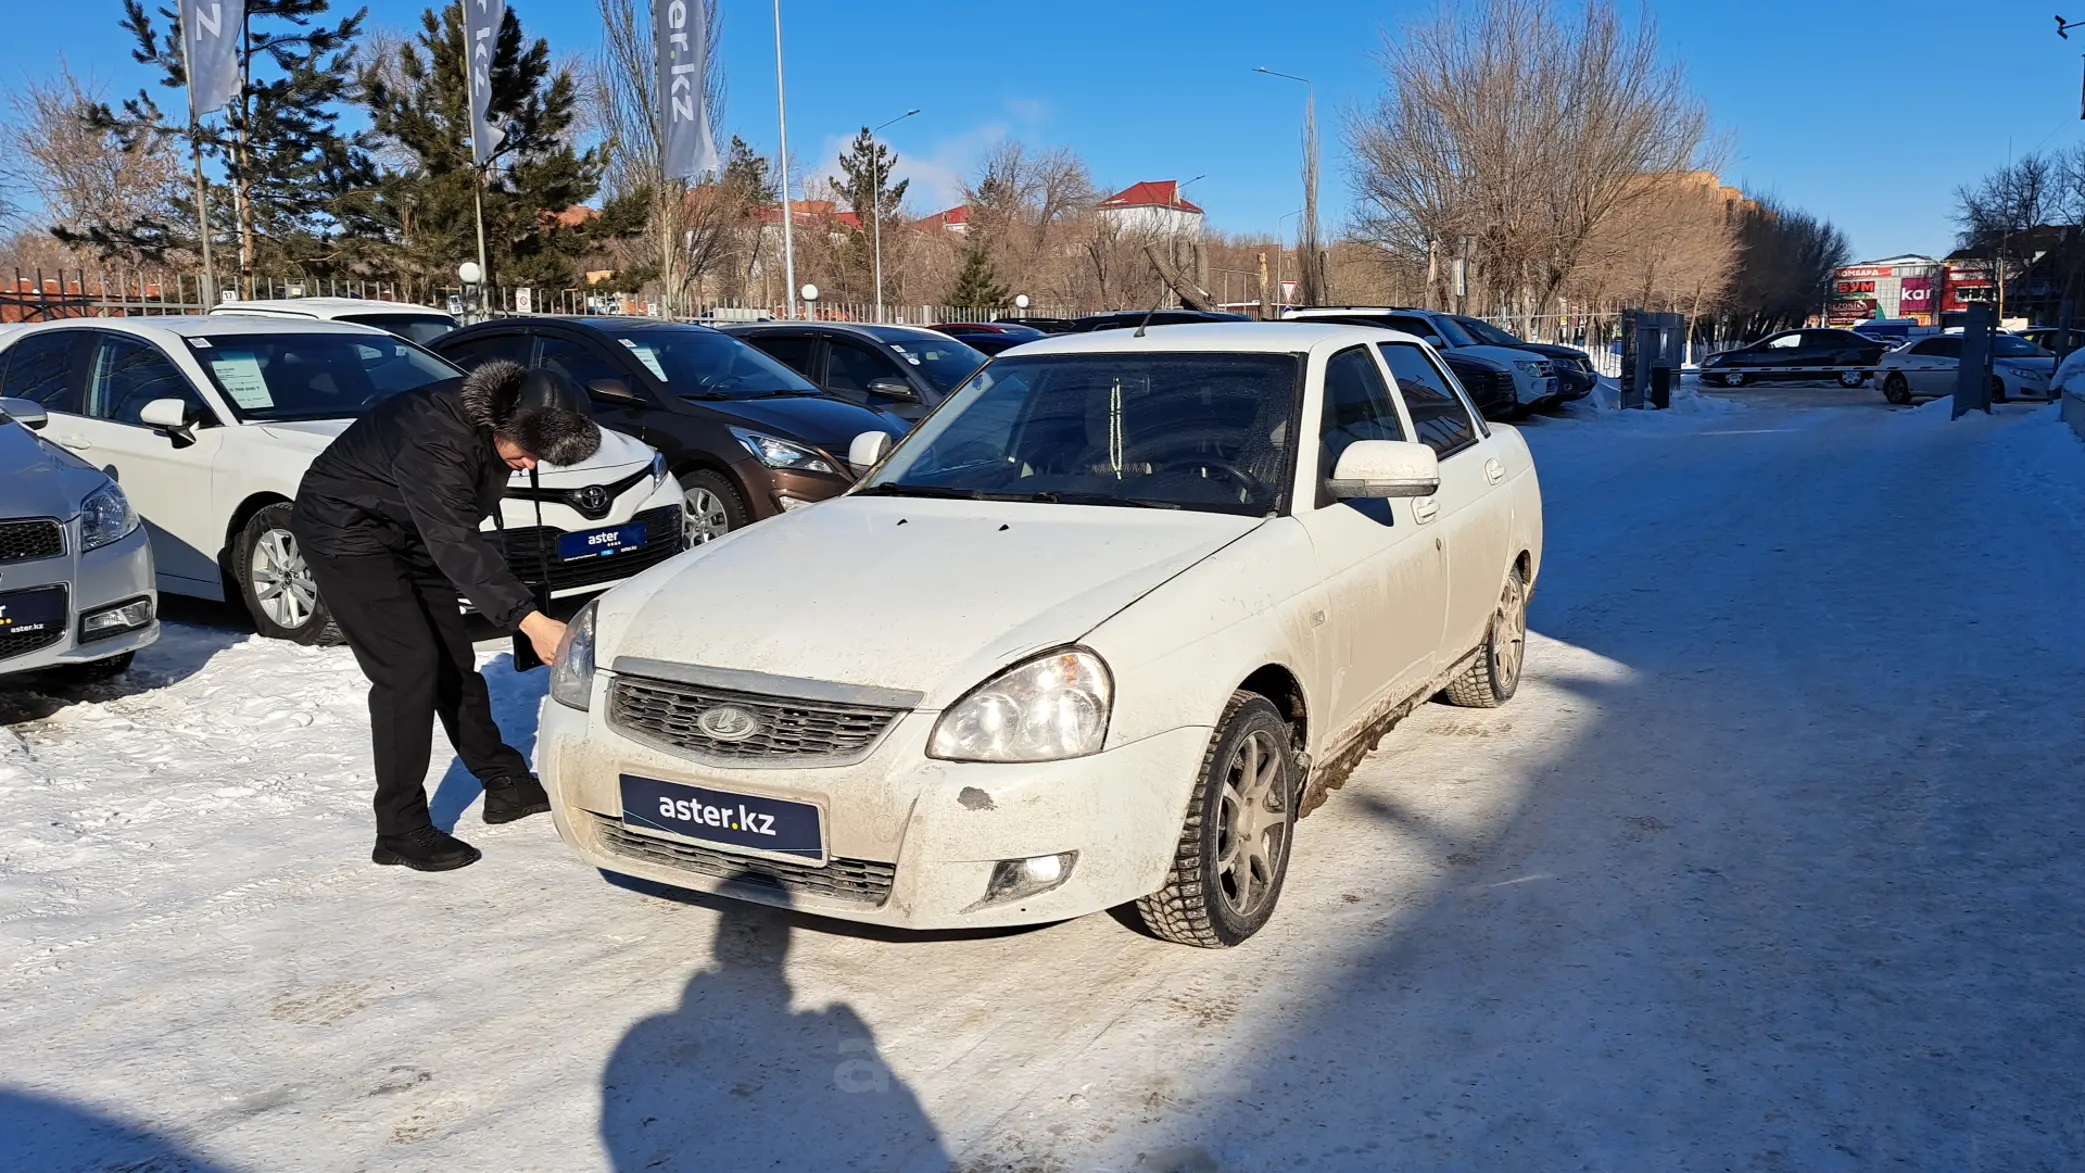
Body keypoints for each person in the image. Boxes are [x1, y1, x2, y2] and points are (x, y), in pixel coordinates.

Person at [293, 360, 601, 872]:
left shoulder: (507, 420)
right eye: (525, 453)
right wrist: (529, 619)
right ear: (500, 427)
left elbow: (452, 527)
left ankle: (503, 781)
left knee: (452, 661)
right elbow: (455, 540)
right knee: (407, 669)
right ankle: (399, 828)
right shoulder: (436, 439)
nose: (528, 465)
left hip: (412, 529)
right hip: (346, 531)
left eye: (537, 457)